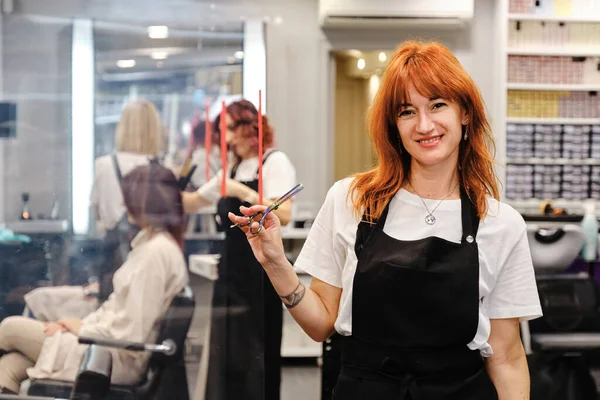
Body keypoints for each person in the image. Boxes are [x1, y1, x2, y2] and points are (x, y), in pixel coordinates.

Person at [229, 40, 543, 399]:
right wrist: (275, 263)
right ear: (393, 124)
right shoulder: (350, 200)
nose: (424, 125)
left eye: (437, 105)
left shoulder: (501, 222)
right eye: (407, 111)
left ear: (465, 113)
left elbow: (506, 357)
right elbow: (320, 325)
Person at [0, 164, 188, 394]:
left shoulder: (156, 254)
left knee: (8, 328)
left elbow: (131, 333)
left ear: (145, 201)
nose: (122, 204)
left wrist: (81, 329)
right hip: (105, 347)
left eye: (127, 197)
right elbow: (119, 313)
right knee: (10, 366)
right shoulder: (153, 246)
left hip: (111, 357)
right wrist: (78, 326)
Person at [182, 99, 296, 400]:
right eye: (223, 130)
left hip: (260, 276)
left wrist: (241, 192)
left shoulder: (274, 162)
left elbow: (283, 214)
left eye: (232, 128)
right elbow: (193, 202)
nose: (227, 137)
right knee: (228, 357)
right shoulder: (231, 168)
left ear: (250, 127)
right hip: (230, 276)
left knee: (258, 355)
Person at [23, 99, 165, 320]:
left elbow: (96, 216)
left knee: (108, 313)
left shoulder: (104, 165)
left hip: (114, 258)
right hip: (149, 259)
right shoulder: (161, 170)